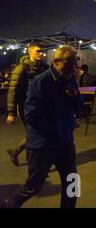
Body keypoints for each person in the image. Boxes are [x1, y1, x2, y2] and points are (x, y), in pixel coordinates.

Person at [1, 46, 82, 208]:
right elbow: (31, 114)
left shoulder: (70, 78)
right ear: (56, 62)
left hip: (65, 142)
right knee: (33, 186)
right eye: (69, 63)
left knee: (73, 182)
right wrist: (54, 128)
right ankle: (9, 204)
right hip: (43, 146)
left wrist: (74, 98)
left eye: (75, 64)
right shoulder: (40, 82)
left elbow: (79, 107)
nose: (73, 68)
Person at [5, 42, 49, 167]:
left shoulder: (45, 67)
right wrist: (11, 113)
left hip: (41, 107)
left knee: (38, 134)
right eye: (38, 51)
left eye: (42, 51)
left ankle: (16, 151)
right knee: (35, 135)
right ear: (29, 52)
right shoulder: (21, 68)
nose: (41, 54)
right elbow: (13, 91)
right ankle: (33, 166)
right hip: (26, 107)